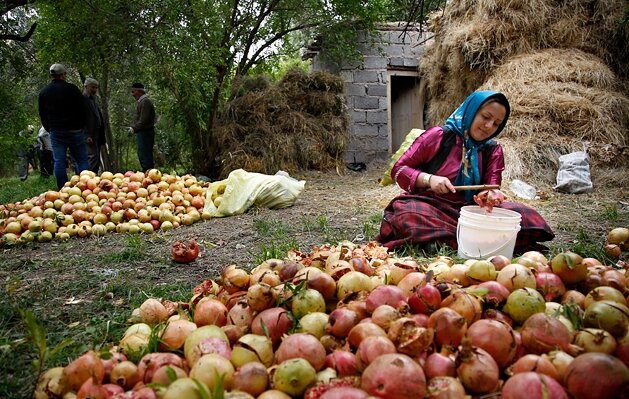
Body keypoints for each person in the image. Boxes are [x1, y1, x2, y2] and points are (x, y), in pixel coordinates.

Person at [376, 90, 554, 254]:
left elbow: (491, 185)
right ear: (471, 111)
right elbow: (399, 169)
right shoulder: (438, 136)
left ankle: (441, 238)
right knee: (409, 214)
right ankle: (478, 241)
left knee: (524, 216)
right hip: (432, 206)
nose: (489, 126)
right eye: (485, 117)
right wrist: (429, 179)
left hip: (472, 211)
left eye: (496, 124)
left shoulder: (493, 150)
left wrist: (490, 194)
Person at [38, 63, 89, 189]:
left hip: (56, 132)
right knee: (81, 159)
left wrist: (50, 128)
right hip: (75, 131)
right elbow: (82, 109)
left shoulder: (44, 92)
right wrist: (82, 126)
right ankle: (86, 186)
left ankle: (63, 189)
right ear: (63, 75)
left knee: (59, 161)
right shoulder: (72, 89)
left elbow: (42, 114)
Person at [129, 82, 156, 171]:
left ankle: (150, 175)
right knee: (142, 154)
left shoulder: (145, 102)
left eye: (133, 92)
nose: (132, 94)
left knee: (145, 155)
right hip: (142, 132)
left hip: (146, 133)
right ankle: (147, 174)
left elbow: (143, 120)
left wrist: (134, 128)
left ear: (139, 91)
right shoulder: (142, 102)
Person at [83, 77, 106, 173]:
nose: (95, 90)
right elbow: (81, 119)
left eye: (96, 88)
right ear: (86, 86)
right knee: (92, 157)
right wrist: (86, 135)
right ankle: (88, 179)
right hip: (89, 135)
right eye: (92, 87)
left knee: (96, 158)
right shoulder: (82, 100)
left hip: (96, 134)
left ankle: (93, 177)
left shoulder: (93, 100)